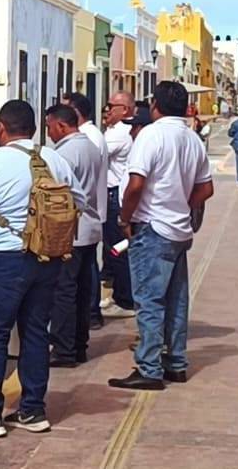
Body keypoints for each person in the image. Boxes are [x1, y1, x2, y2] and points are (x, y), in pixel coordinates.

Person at [0, 100, 88, 439]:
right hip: (48, 257)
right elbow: (80, 201)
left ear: (1, 128)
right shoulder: (54, 159)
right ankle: (32, 410)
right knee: (36, 332)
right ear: (35, 128)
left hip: (4, 258)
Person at [109, 81, 214, 391]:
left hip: (152, 227)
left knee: (149, 300)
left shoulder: (151, 135)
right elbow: (206, 188)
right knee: (177, 299)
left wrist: (125, 217)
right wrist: (182, 204)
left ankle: (150, 367)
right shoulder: (192, 138)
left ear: (156, 105)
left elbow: (136, 185)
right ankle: (175, 362)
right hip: (179, 229)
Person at [44, 104, 103, 368]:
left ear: (61, 125)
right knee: (82, 288)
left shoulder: (65, 153)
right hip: (89, 227)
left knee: (64, 290)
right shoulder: (90, 146)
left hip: (72, 230)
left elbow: (58, 193)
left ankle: (64, 348)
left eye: (49, 127)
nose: (48, 133)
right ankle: (79, 345)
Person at [67, 92, 109, 329]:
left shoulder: (87, 138)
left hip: (85, 214)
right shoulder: (91, 137)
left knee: (85, 271)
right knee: (89, 266)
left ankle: (91, 313)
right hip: (91, 213)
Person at [101, 91, 137, 318]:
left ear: (124, 110)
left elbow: (97, 153)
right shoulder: (116, 130)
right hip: (113, 193)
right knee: (114, 248)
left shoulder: (120, 133)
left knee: (116, 248)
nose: (106, 110)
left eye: (110, 106)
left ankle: (125, 300)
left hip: (115, 195)